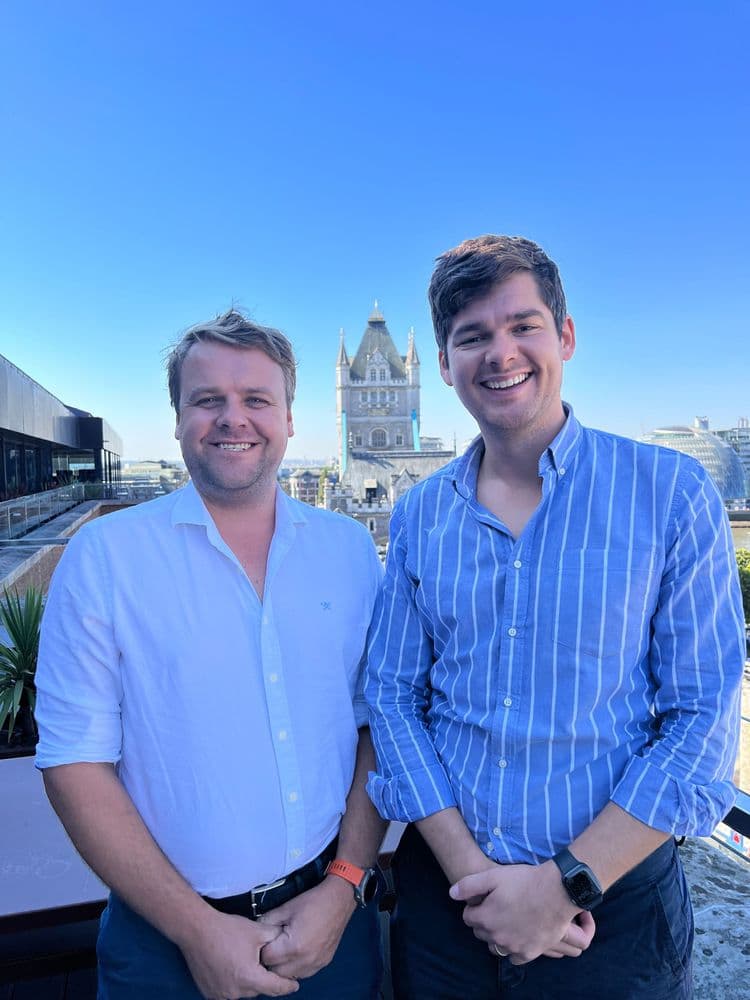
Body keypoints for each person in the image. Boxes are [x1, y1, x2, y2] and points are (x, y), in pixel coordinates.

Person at [365, 235, 745, 999]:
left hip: (613, 918)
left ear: (565, 336)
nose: (500, 353)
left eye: (522, 326)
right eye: (472, 336)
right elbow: (393, 698)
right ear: (443, 364)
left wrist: (565, 884)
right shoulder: (417, 516)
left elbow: (702, 712)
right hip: (448, 910)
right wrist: (475, 877)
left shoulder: (669, 495)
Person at [35, 310, 386, 1000]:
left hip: (331, 925)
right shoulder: (107, 557)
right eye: (208, 400)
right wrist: (197, 931)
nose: (234, 419)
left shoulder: (349, 551)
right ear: (177, 418)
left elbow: (377, 726)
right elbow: (75, 761)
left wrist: (346, 884)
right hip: (162, 944)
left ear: (289, 417)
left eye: (256, 399)